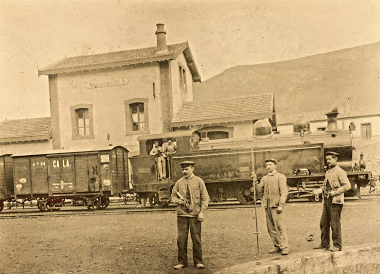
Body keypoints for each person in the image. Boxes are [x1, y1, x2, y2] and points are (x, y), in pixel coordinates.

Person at [171, 161, 209, 270]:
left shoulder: (199, 181)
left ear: (192, 169)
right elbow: (172, 197)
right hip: (182, 215)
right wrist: (179, 201)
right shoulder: (178, 182)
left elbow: (205, 198)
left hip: (195, 215)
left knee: (196, 239)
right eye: (183, 169)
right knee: (181, 240)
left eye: (187, 169)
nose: (184, 171)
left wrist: (202, 212)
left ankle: (198, 262)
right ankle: (182, 262)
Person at [313, 151, 351, 252]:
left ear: (335, 159)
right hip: (326, 201)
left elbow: (347, 186)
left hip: (336, 202)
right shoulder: (328, 172)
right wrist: (319, 191)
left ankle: (337, 245)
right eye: (327, 160)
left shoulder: (340, 172)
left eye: (330, 159)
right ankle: (324, 244)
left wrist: (334, 193)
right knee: (323, 223)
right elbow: (325, 187)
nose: (328, 161)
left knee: (335, 224)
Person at [256, 158, 289, 255]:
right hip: (267, 206)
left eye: (270, 164)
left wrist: (281, 205)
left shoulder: (280, 177)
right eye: (267, 165)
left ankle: (285, 247)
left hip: (276, 206)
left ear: (275, 166)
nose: (268, 167)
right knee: (270, 228)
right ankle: (277, 246)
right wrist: (254, 181)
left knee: (280, 227)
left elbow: (284, 192)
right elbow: (258, 189)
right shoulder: (265, 178)